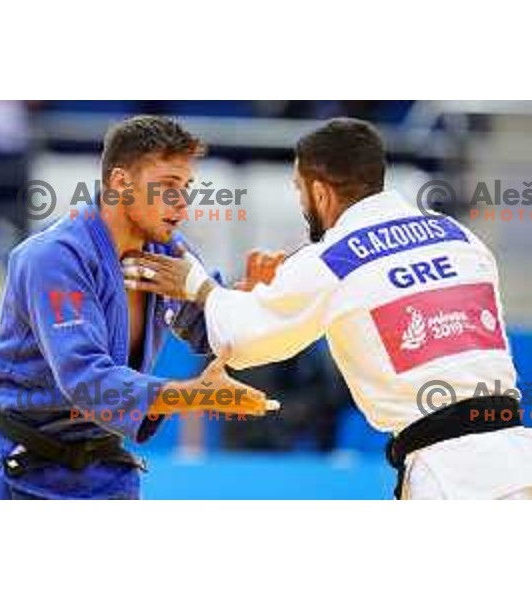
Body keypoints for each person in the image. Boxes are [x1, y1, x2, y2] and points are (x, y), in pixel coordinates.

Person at [123, 117, 532, 500]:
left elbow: (242, 340)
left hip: (452, 477)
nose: (303, 204)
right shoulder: (459, 236)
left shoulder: (332, 258)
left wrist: (197, 285)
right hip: (518, 454)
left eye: (300, 191)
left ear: (320, 191)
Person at [0, 116, 277, 500]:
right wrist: (194, 395)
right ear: (119, 183)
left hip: (99, 469)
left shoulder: (170, 253)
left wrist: (248, 300)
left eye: (186, 188)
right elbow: (86, 381)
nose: (182, 203)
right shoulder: (54, 258)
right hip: (11, 461)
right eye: (167, 187)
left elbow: (213, 330)